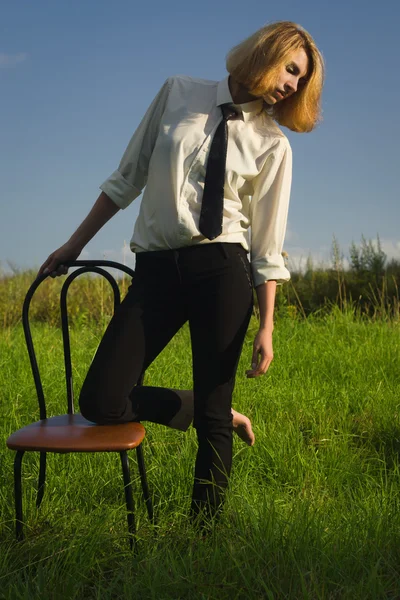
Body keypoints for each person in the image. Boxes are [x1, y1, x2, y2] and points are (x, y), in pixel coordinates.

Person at [38, 21, 324, 521]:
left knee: (217, 416)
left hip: (222, 272)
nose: (294, 85)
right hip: (156, 272)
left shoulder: (274, 145)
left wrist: (268, 325)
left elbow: (267, 246)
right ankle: (192, 404)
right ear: (266, 54)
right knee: (101, 399)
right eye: (292, 70)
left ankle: (204, 540)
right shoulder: (178, 92)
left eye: (302, 81)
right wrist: (73, 244)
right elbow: (126, 178)